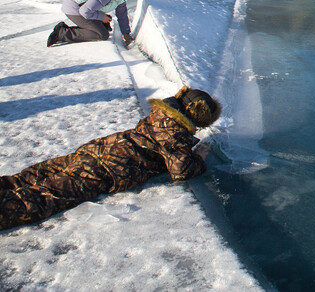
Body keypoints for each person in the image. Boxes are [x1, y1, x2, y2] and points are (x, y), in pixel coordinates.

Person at [0, 87, 221, 230]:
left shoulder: (159, 116)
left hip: (97, 149)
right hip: (105, 169)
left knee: (31, 177)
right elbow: (181, 170)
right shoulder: (175, 134)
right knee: (42, 197)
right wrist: (199, 158)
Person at [47, 0, 135, 47]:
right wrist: (101, 17)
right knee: (102, 34)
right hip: (73, 9)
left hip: (85, 10)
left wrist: (126, 33)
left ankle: (101, 24)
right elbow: (84, 11)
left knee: (101, 27)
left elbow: (122, 15)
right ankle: (62, 33)